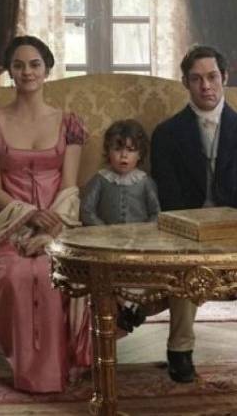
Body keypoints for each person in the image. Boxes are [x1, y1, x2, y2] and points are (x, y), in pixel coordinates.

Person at [0, 35, 91, 393]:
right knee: (16, 275)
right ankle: (25, 369)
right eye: (18, 65)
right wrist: (29, 215)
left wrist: (49, 230)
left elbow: (70, 186)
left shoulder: (68, 123)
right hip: (7, 223)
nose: (27, 72)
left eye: (34, 64)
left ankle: (55, 370)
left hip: (57, 223)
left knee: (52, 275)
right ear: (10, 72)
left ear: (47, 70)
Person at [150, 44, 237, 383]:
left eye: (212, 77)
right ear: (185, 83)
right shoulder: (166, 135)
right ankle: (180, 349)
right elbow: (170, 197)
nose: (205, 86)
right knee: (185, 260)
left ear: (225, 78)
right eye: (196, 79)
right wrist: (195, 231)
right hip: (188, 231)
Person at [80, 119, 161, 333]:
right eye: (117, 149)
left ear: (140, 154)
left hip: (138, 245)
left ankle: (133, 306)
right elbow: (87, 210)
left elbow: (156, 213)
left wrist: (143, 233)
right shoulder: (100, 180)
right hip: (106, 245)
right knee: (107, 275)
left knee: (141, 274)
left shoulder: (145, 182)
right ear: (108, 151)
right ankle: (120, 308)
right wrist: (104, 232)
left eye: (131, 150)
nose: (124, 156)